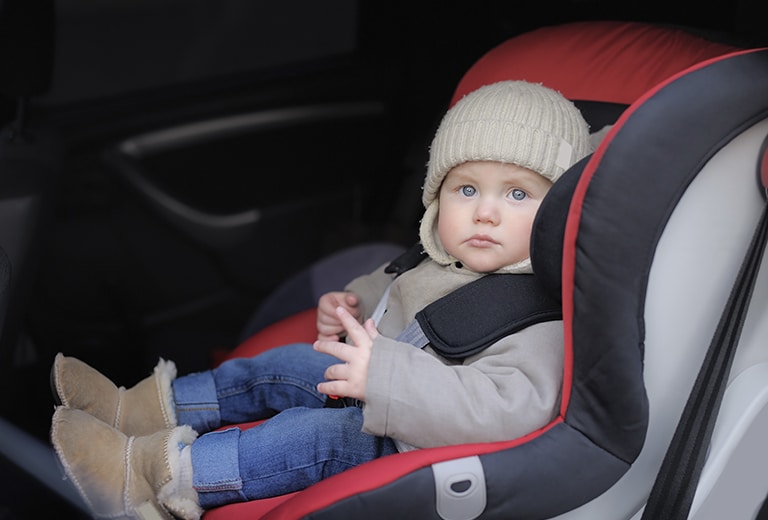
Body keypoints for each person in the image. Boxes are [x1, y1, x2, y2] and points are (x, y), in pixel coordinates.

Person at [50, 80, 591, 520]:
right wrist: (348, 306)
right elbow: (388, 287)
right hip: (373, 382)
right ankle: (142, 409)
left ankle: (152, 476)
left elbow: (508, 413)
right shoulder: (439, 257)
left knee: (305, 437)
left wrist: (385, 380)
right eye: (466, 189)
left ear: (558, 214)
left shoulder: (537, 314)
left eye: (518, 193)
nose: (485, 212)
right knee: (280, 367)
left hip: (414, 442)